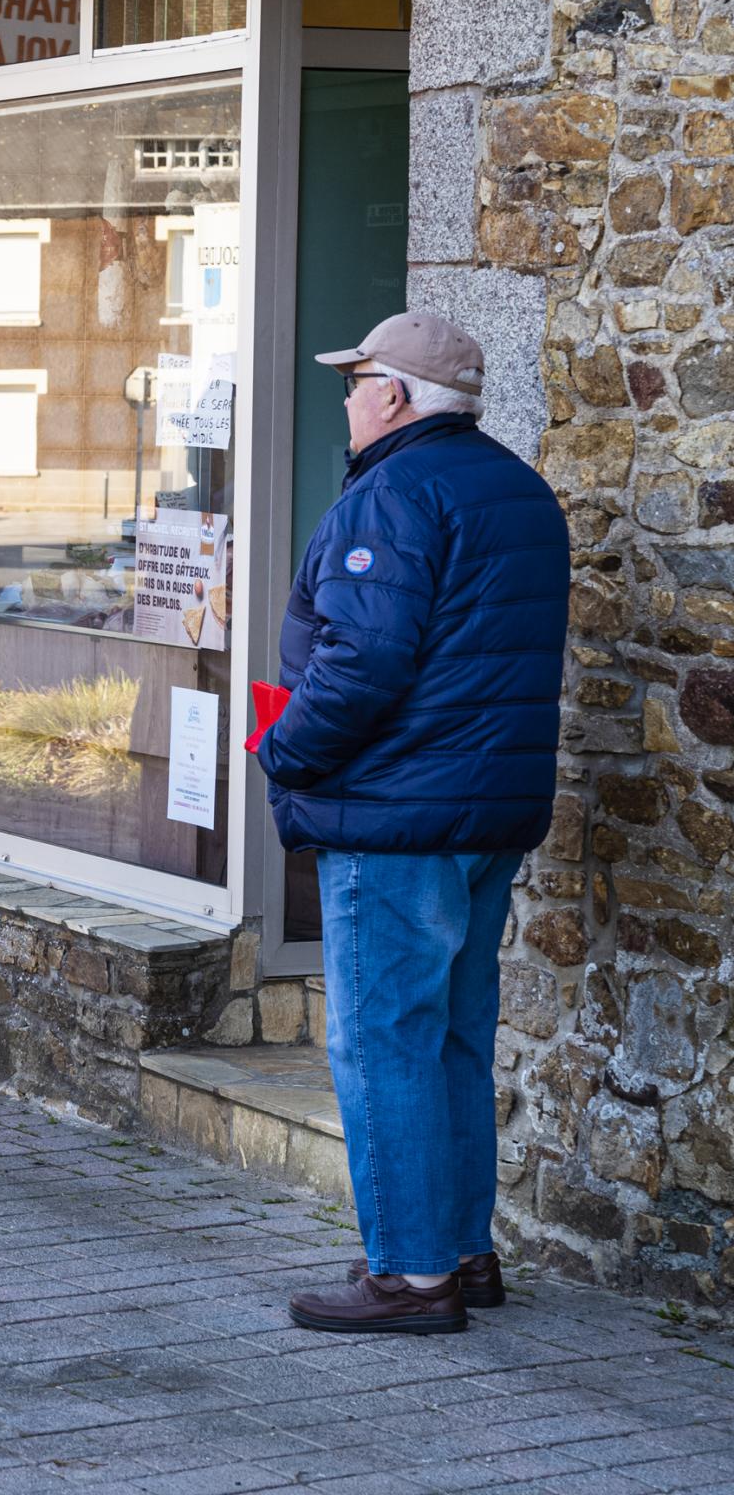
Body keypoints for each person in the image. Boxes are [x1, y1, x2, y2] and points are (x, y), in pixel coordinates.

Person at [255, 314, 566, 1334]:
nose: (343, 399)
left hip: (392, 820)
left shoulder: (390, 492)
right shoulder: (517, 490)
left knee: (382, 1042)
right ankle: (460, 1249)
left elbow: (364, 660)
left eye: (352, 381)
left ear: (391, 393)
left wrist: (284, 753)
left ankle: (409, 1275)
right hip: (481, 816)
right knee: (452, 1039)